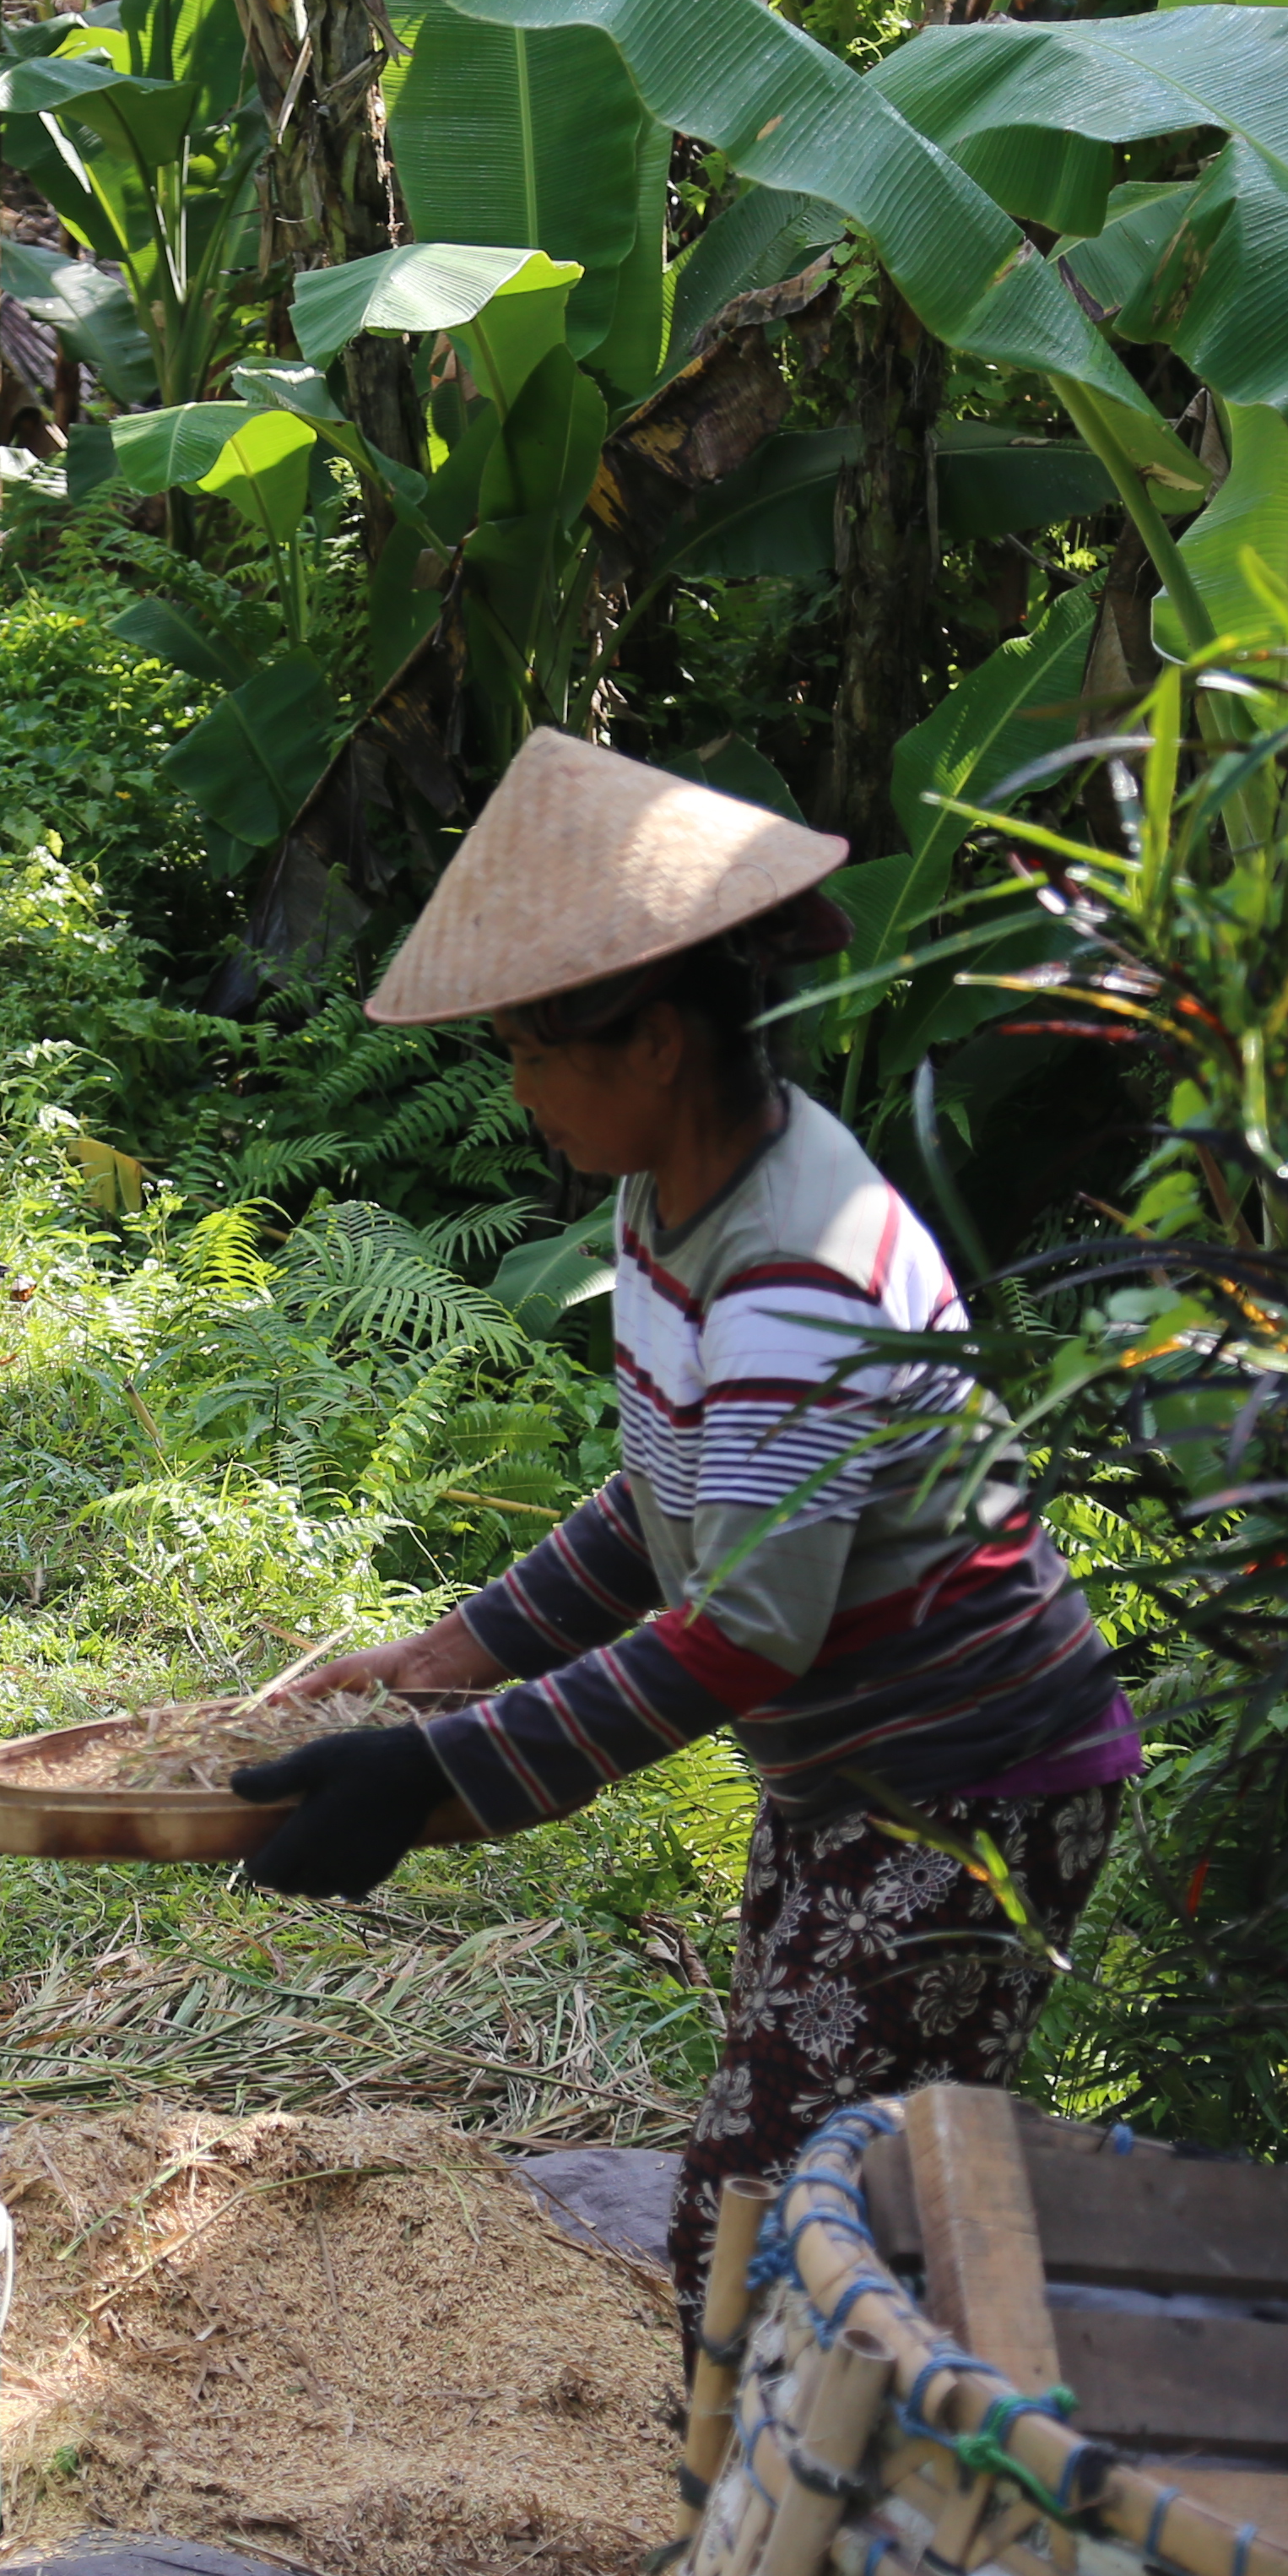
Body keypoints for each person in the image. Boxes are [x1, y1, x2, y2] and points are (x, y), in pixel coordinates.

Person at [230, 731, 1139, 2311]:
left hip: (964, 1795)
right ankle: (798, 2521)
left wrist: (448, 1775)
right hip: (856, 1778)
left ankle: (803, 2529)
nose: (516, 1092)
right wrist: (435, 1663)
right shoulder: (679, 1193)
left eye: (530, 1048)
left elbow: (742, 1630)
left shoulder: (795, 1266)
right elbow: (666, 1504)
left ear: (654, 1042)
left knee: (779, 2241)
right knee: (806, 2206)